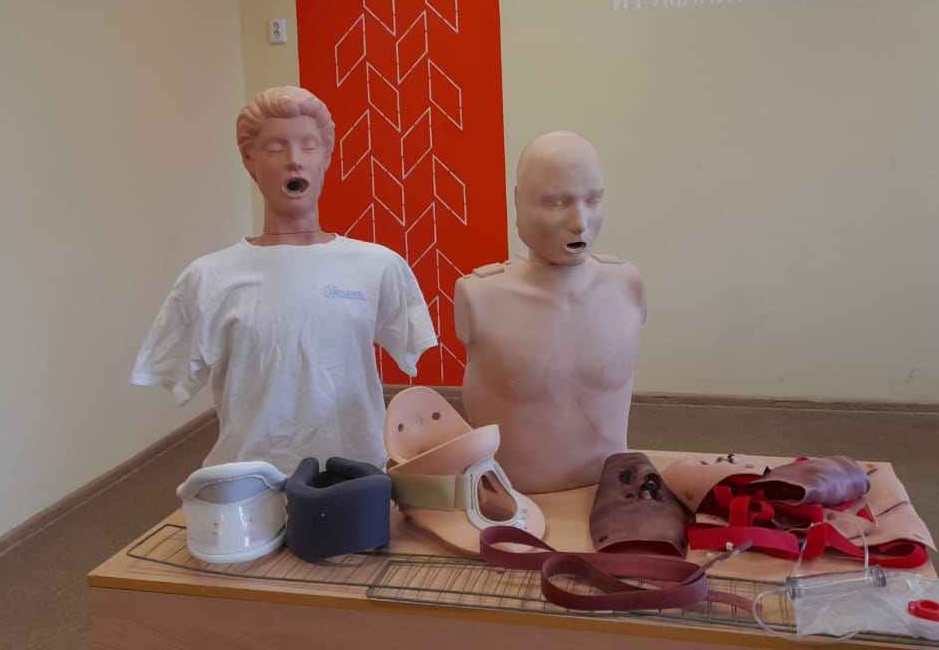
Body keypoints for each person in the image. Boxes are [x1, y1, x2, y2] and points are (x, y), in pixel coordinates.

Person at [132, 86, 436, 475]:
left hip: (354, 476)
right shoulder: (207, 278)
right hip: (249, 480)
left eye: (309, 147)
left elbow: (411, 347)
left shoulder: (378, 266)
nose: (294, 161)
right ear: (249, 159)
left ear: (326, 156)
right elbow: (171, 368)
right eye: (275, 149)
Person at [456, 131, 645, 494]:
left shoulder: (628, 286)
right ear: (518, 202)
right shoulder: (479, 295)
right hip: (515, 499)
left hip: (608, 494)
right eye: (556, 203)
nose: (580, 221)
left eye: (593, 200)